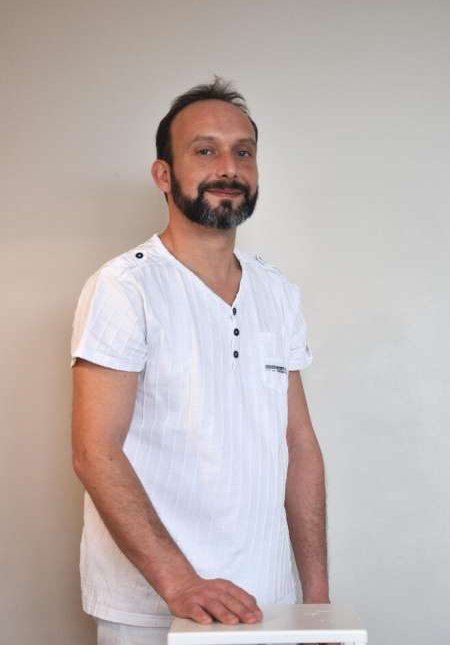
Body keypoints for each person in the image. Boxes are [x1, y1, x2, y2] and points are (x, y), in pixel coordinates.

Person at [70, 76, 330, 645]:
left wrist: (315, 602)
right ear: (163, 174)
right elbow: (95, 452)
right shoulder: (125, 288)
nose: (228, 168)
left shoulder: (277, 292)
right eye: (205, 151)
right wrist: (181, 583)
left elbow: (300, 445)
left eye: (244, 152)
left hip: (268, 601)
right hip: (153, 608)